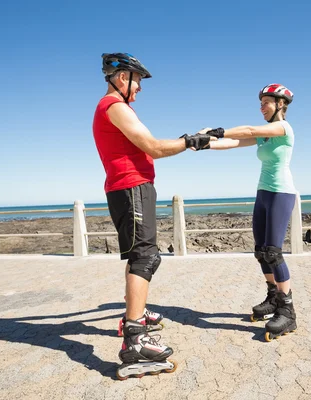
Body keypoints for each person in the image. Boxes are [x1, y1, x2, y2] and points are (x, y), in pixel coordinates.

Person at [92, 52, 213, 378]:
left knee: (143, 257)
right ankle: (134, 340)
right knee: (144, 258)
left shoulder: (116, 109)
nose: (140, 89)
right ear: (122, 78)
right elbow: (154, 147)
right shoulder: (114, 107)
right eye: (139, 81)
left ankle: (136, 316)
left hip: (133, 188)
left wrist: (192, 139)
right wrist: (190, 141)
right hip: (130, 188)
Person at [199, 83, 297, 341]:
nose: (261, 107)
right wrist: (204, 143)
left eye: (266, 102)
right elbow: (234, 142)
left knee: (274, 252)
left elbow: (249, 129)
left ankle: (287, 312)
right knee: (261, 251)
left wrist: (216, 130)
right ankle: (273, 297)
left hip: (281, 192)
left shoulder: (282, 128)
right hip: (263, 192)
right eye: (261, 102)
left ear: (280, 104)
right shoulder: (264, 135)